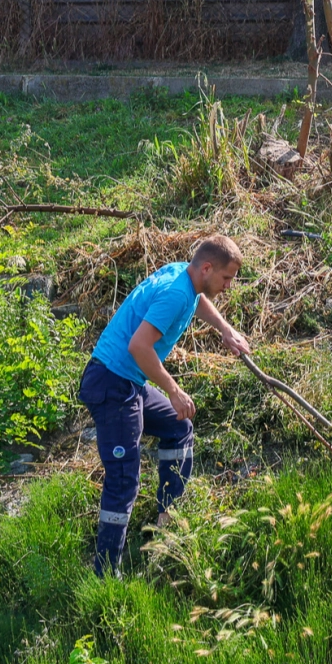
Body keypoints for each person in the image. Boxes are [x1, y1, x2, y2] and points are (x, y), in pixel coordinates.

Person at [79, 235, 251, 574]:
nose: (229, 286)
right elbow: (139, 347)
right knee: (124, 478)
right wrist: (173, 389)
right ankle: (105, 573)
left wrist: (225, 329)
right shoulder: (175, 292)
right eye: (226, 278)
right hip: (112, 382)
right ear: (206, 268)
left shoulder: (184, 277)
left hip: (128, 380)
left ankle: (166, 520)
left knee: (178, 426)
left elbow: (198, 300)